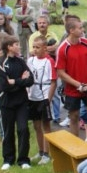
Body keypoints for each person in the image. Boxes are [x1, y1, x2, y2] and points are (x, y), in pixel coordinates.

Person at [56, 14, 87, 143]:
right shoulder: (63, 49)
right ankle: (76, 146)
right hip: (72, 89)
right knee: (74, 116)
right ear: (71, 30)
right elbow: (60, 72)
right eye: (80, 28)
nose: (83, 30)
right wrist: (78, 85)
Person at [0, 34, 34, 170]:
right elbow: (4, 86)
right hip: (6, 103)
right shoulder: (0, 65)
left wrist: (14, 81)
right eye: (16, 44)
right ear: (9, 47)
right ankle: (8, 159)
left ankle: (23, 160)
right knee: (8, 131)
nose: (19, 46)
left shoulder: (21, 62)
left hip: (21, 102)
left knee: (23, 129)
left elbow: (30, 80)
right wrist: (21, 81)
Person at [27, 35, 57, 165]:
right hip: (32, 96)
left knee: (46, 125)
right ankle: (40, 151)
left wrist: (48, 99)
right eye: (33, 47)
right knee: (36, 125)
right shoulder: (30, 60)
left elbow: (53, 82)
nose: (35, 49)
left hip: (44, 96)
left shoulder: (49, 61)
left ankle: (46, 153)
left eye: (37, 47)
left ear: (45, 48)